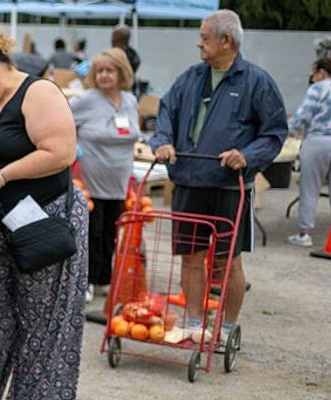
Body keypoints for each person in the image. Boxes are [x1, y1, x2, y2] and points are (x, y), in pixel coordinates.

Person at [0, 23, 87, 398]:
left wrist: (5, 176)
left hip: (42, 226)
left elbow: (60, 153)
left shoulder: (37, 91)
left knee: (42, 335)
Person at [149, 10, 286, 344]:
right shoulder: (190, 77)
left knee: (228, 260)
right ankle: (195, 323)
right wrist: (163, 141)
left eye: (204, 36)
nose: (199, 42)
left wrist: (247, 156)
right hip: (189, 180)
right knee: (191, 256)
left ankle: (226, 328)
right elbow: (165, 112)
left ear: (226, 41)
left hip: (230, 186)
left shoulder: (257, 81)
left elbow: (274, 133)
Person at [70, 48, 140, 301]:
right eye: (99, 71)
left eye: (110, 70)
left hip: (120, 180)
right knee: (92, 232)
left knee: (112, 230)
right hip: (90, 179)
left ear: (122, 73)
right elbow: (62, 122)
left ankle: (104, 279)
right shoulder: (85, 100)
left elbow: (133, 133)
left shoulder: (130, 101)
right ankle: (86, 280)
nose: (104, 76)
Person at [288, 58, 331, 247]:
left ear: (321, 72)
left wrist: (285, 130)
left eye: (313, 73)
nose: (312, 77)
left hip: (317, 142)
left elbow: (302, 116)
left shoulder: (317, 89)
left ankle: (304, 234)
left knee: (310, 189)